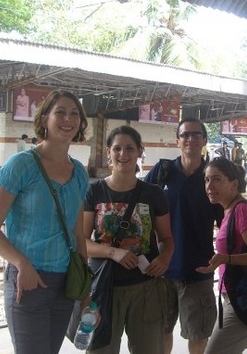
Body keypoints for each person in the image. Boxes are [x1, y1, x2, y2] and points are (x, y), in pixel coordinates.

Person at [0, 90, 90, 354]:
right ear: (44, 119)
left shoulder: (79, 173)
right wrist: (21, 264)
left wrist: (84, 286)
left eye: (74, 113)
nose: (68, 119)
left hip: (66, 284)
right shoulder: (21, 166)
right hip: (28, 281)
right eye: (60, 112)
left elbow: (78, 234)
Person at [84, 125, 174, 354]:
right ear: (108, 152)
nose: (123, 154)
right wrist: (113, 252)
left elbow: (166, 238)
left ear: (139, 152)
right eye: (117, 149)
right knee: (99, 349)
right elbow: (81, 242)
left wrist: (164, 257)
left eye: (129, 149)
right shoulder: (94, 192)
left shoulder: (153, 193)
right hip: (103, 288)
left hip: (145, 287)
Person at [145, 117, 223, 354]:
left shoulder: (212, 178)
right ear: (177, 140)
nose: (191, 139)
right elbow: (142, 211)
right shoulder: (163, 172)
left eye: (196, 134)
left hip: (198, 271)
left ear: (205, 140)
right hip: (161, 271)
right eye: (185, 134)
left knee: (198, 337)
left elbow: (226, 222)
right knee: (160, 333)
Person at [197, 157, 247, 354]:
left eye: (217, 179)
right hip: (233, 294)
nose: (209, 186)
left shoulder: (243, 212)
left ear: (234, 184)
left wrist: (227, 259)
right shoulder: (229, 210)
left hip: (244, 298)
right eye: (206, 180)